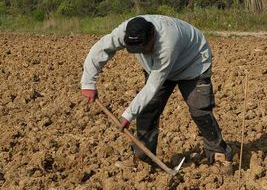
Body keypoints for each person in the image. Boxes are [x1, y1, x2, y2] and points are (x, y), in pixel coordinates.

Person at [80, 15, 233, 174]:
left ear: (152, 37)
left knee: (200, 110)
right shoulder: (125, 32)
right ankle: (144, 158)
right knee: (147, 110)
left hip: (193, 63)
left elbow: (154, 84)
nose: (142, 53)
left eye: (143, 48)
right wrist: (88, 82)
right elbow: (101, 48)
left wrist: (128, 114)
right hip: (157, 68)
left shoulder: (168, 42)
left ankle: (219, 154)